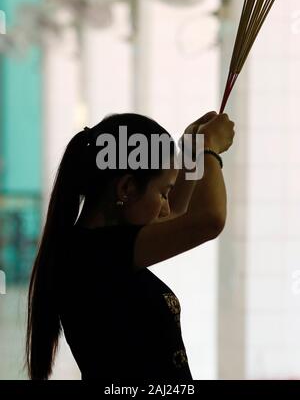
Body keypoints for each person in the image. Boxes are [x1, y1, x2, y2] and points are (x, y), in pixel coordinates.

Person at [25, 111, 235, 381]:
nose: (166, 207)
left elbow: (180, 214)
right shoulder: (94, 254)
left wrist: (194, 152)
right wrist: (208, 149)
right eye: (163, 193)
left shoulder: (93, 247)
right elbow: (210, 219)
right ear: (126, 188)